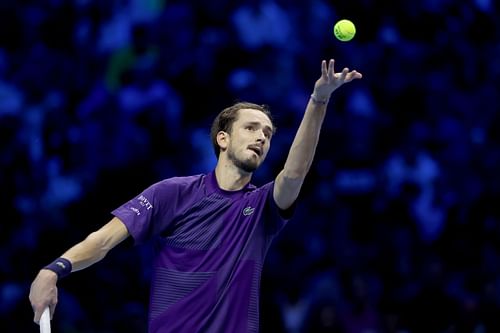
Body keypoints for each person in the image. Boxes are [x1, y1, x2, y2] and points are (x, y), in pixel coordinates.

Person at [29, 59, 362, 332]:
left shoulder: (262, 207)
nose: (261, 137)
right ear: (222, 139)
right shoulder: (173, 193)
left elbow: (294, 173)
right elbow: (103, 240)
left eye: (268, 134)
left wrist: (318, 101)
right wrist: (53, 270)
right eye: (251, 128)